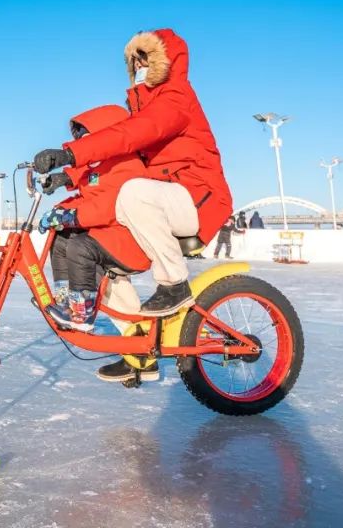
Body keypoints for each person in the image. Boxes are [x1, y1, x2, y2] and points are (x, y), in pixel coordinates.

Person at [33, 28, 233, 382]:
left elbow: (130, 136)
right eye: (133, 60)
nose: (139, 65)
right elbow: (115, 160)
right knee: (93, 245)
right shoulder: (142, 106)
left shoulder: (175, 98)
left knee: (133, 192)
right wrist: (70, 173)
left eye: (146, 58)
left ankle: (174, 282)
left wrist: (70, 154)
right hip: (161, 201)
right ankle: (137, 346)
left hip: (197, 199)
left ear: (165, 61)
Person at [38, 105, 152, 347]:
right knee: (61, 239)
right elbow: (88, 194)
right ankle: (67, 299)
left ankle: (81, 314)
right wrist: (60, 210)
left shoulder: (128, 166)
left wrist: (72, 216)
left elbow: (110, 206)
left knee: (80, 247)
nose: (87, 146)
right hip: (108, 238)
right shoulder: (103, 165)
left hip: (129, 240)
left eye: (91, 140)